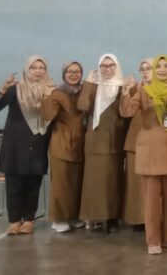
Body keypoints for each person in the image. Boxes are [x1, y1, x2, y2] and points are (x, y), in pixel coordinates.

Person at [120, 54, 167, 254]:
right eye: (158, 66)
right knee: (151, 200)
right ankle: (153, 241)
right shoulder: (144, 91)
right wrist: (126, 93)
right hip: (150, 150)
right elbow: (126, 112)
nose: (161, 69)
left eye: (165, 66)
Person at [0, 56, 55, 235]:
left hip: (38, 143)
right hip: (15, 145)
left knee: (33, 185)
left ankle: (29, 220)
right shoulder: (15, 89)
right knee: (14, 184)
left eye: (42, 67)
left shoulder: (51, 90)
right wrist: (3, 87)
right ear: (27, 70)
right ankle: (14, 220)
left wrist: (49, 97)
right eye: (34, 67)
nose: (38, 70)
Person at [77, 53, 127, 233]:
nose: (107, 69)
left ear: (117, 67)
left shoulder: (122, 87)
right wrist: (89, 83)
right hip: (95, 142)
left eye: (111, 65)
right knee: (94, 182)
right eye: (104, 66)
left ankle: (112, 217)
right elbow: (82, 106)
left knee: (113, 182)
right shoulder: (94, 87)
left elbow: (126, 114)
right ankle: (95, 216)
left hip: (114, 142)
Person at [41, 61, 86, 233]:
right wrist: (46, 96)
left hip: (80, 145)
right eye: (70, 72)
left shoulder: (82, 92)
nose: (74, 74)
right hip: (62, 144)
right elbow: (47, 115)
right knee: (61, 184)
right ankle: (58, 218)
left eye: (77, 72)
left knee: (76, 184)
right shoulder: (57, 93)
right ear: (64, 74)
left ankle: (73, 216)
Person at [122, 59, 153, 230]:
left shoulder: (165, 89)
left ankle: (155, 218)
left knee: (153, 184)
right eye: (142, 69)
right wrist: (126, 93)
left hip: (156, 142)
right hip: (135, 141)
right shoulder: (135, 90)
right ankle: (138, 219)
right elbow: (125, 112)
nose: (145, 71)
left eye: (149, 68)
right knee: (135, 184)